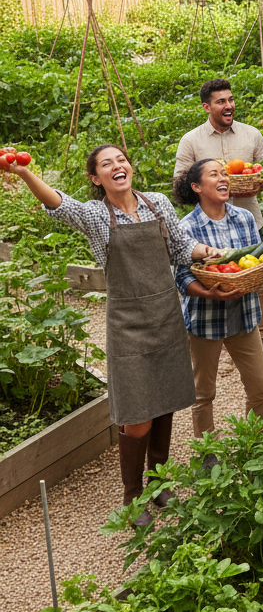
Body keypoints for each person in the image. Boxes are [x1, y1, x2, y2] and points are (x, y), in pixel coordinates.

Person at [10, 145, 220, 520]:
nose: (117, 166)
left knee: (166, 402)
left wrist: (208, 252)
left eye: (121, 160)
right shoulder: (94, 215)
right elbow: (58, 203)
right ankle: (133, 495)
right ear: (96, 178)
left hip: (165, 317)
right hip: (128, 323)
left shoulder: (156, 203)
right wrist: (24, 172)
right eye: (107, 164)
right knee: (138, 411)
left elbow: (180, 248)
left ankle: (158, 484)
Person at [174, 78, 263, 362]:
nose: (229, 105)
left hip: (247, 220)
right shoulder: (191, 140)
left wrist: (256, 186)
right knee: (215, 278)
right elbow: (180, 183)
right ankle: (217, 340)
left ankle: (261, 336)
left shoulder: (251, 135)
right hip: (207, 228)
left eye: (231, 99)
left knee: (257, 282)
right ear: (206, 107)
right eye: (221, 101)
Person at [173, 159, 263, 438]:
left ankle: (255, 442)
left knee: (258, 387)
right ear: (197, 186)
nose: (223, 178)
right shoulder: (186, 228)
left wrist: (251, 276)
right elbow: (181, 277)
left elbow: (254, 263)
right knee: (203, 394)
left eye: (224, 174)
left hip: (244, 315)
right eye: (214, 174)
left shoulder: (244, 218)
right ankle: (208, 452)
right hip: (205, 320)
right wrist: (208, 292)